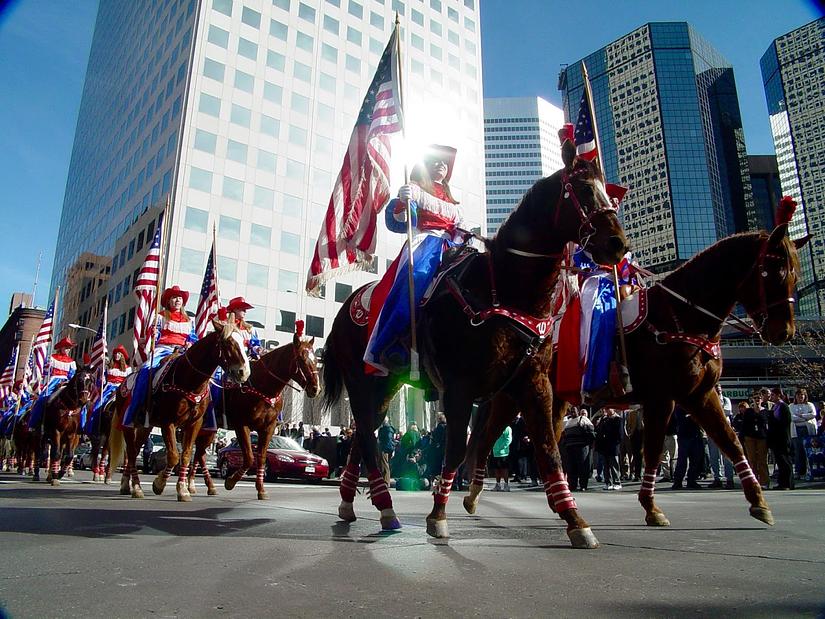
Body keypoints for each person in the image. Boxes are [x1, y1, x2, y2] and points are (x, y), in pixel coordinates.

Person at [364, 145, 465, 376]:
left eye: (444, 164)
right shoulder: (415, 189)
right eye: (436, 162)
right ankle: (396, 341)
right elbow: (397, 222)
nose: (441, 166)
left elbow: (460, 229)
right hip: (424, 242)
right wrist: (402, 202)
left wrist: (463, 238)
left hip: (452, 245)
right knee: (416, 278)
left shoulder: (452, 201)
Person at [124, 285, 197, 427]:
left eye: (180, 297)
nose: (177, 300)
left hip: (183, 352)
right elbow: (154, 335)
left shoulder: (189, 320)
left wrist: (190, 343)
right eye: (174, 297)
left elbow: (193, 337)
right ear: (168, 301)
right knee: (145, 370)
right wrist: (152, 336)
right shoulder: (160, 317)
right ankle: (136, 409)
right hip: (163, 349)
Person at [28, 337, 77, 430]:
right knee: (41, 401)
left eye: (69, 348)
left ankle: (80, 428)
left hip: (66, 382)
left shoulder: (72, 362)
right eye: (66, 347)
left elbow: (72, 376)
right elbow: (45, 372)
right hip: (53, 381)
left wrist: (66, 382)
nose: (67, 349)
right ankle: (33, 424)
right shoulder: (52, 358)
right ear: (61, 347)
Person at [84, 344, 131, 436]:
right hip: (109, 388)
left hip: (122, 389)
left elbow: (128, 381)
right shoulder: (109, 367)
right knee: (97, 406)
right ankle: (93, 430)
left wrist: (119, 390)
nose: (117, 355)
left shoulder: (128, 369)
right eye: (115, 353)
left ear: (122, 355)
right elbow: (103, 379)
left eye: (119, 353)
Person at [707, 384, 735, 489]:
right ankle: (717, 478)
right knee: (714, 457)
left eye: (719, 390)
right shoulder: (708, 400)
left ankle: (729, 479)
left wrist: (715, 410)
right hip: (712, 432)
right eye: (716, 390)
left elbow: (727, 412)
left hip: (724, 431)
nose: (718, 392)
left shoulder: (726, 400)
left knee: (727, 457)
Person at [562, 408, 596, 491]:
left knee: (583, 467)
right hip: (570, 448)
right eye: (571, 411)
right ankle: (572, 485)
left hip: (582, 447)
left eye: (574, 411)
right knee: (571, 467)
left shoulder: (583, 419)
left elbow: (591, 431)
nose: (573, 413)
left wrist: (589, 443)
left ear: (578, 411)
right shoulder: (568, 422)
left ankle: (583, 485)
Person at [767, 387, 794, 490]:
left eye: (773, 395)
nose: (771, 397)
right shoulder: (775, 406)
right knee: (780, 461)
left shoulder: (784, 406)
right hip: (775, 438)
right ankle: (781, 482)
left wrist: (774, 421)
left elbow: (785, 422)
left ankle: (787, 483)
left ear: (778, 395)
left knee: (785, 460)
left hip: (782, 437)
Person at [671, 407, 703, 490]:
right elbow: (680, 419)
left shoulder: (695, 406)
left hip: (695, 435)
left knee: (695, 459)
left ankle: (691, 480)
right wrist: (691, 416)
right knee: (682, 460)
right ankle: (678, 481)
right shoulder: (679, 407)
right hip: (683, 436)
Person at [741, 397, 769, 488]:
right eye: (755, 398)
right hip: (750, 437)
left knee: (762, 460)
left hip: (761, 437)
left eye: (759, 398)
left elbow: (765, 422)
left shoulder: (765, 411)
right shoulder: (748, 411)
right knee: (752, 460)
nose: (757, 400)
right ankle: (753, 481)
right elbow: (745, 424)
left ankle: (764, 482)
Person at [789, 388, 817, 480]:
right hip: (796, 431)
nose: (800, 397)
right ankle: (798, 471)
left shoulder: (810, 405)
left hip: (807, 430)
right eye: (798, 396)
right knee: (798, 452)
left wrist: (801, 416)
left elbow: (813, 414)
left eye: (802, 396)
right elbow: (792, 418)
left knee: (808, 451)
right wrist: (805, 417)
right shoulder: (791, 406)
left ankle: (809, 471)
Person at [595, 408, 623, 490]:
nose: (607, 410)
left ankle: (617, 482)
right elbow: (600, 431)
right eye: (606, 409)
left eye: (608, 409)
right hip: (605, 446)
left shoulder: (618, 419)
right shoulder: (604, 419)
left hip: (613, 445)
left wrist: (616, 443)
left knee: (614, 464)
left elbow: (620, 434)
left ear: (613, 409)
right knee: (606, 465)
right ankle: (608, 482)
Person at [491, 424, 512, 492]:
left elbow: (508, 439)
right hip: (495, 452)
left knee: (504, 469)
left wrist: (501, 448)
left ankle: (506, 485)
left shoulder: (507, 428)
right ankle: (498, 485)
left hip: (504, 453)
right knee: (496, 469)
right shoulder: (494, 427)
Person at [377, 419, 397, 485]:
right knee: (383, 464)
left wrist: (387, 448)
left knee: (385, 464)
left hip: (385, 448)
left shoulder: (387, 429)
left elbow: (388, 440)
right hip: (384, 448)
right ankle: (383, 480)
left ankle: (386, 482)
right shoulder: (386, 429)